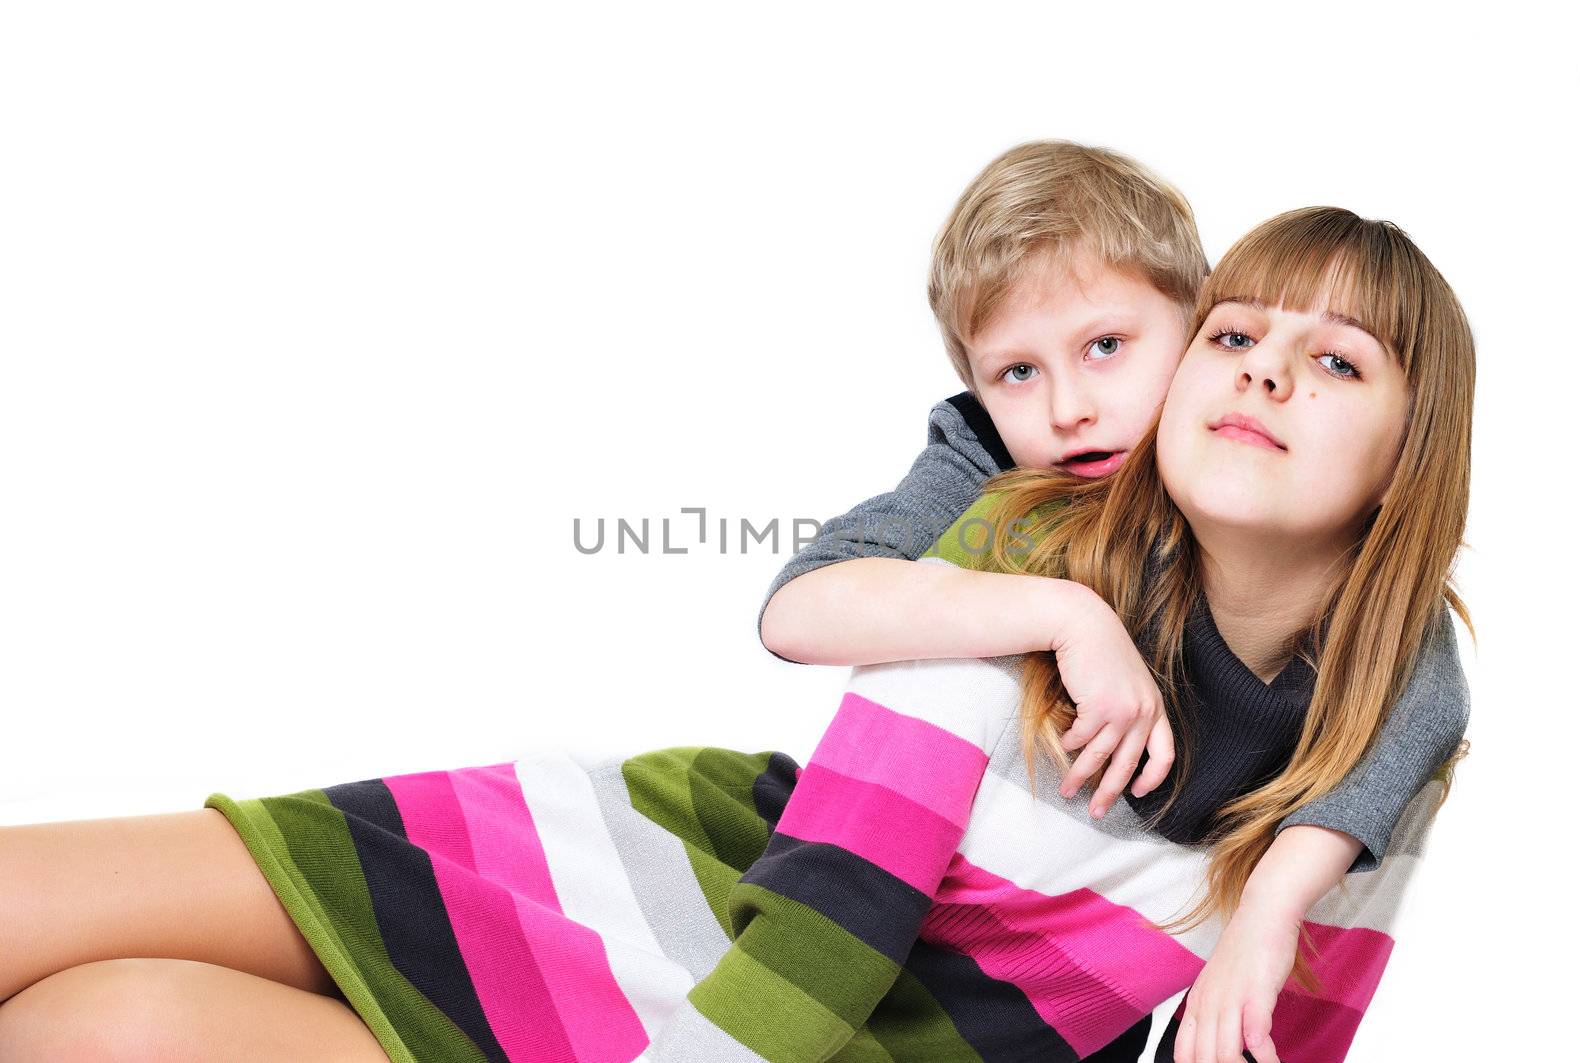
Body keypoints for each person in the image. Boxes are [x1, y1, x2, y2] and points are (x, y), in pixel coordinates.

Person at [0, 205, 1474, 1063]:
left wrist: (1281, 891)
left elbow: (1286, 1030)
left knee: (98, 1028)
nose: (1265, 371)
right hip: (715, 915)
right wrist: (1066, 612)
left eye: (1332, 359)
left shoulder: (1378, 742)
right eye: (1232, 335)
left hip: (804, 1036)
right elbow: (831, 894)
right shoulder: (1004, 555)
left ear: (1413, 451)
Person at [759, 142, 1470, 1057]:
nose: (1068, 410)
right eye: (1017, 372)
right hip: (842, 894)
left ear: (1189, 327)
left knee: (1369, 803)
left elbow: (1422, 694)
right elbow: (800, 607)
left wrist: (1271, 906)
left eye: (1106, 347)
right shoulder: (999, 475)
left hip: (1054, 977)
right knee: (955, 591)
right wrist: (1069, 615)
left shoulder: (1331, 577)